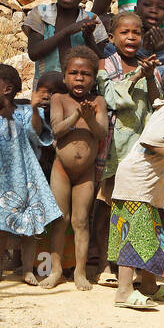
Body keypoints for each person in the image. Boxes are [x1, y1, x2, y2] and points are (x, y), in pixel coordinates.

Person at [108, 63, 164, 309]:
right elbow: (150, 141)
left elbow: (162, 141)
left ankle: (148, 286)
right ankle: (124, 292)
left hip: (147, 188)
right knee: (133, 235)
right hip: (136, 184)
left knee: (151, 236)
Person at [0, 63, 62, 286]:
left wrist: (35, 109)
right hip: (2, 183)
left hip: (29, 180)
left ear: (7, 89)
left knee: (30, 230)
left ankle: (27, 270)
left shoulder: (26, 113)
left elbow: (36, 134)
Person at [95, 12, 159, 284]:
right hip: (112, 147)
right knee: (106, 204)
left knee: (135, 206)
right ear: (112, 37)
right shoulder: (104, 64)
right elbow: (111, 98)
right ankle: (104, 264)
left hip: (140, 147)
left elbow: (157, 102)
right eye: (125, 32)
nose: (131, 37)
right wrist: (135, 77)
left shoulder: (151, 67)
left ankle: (129, 265)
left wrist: (150, 77)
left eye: (137, 32)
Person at [43, 47, 109, 289]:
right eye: (73, 73)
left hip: (85, 172)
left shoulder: (99, 101)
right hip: (61, 169)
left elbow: (101, 132)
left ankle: (80, 271)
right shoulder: (59, 99)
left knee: (81, 221)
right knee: (60, 219)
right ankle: (56, 269)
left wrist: (90, 117)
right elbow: (57, 130)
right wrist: (76, 117)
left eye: (86, 74)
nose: (79, 78)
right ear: (64, 76)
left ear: (94, 78)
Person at [23, 0, 108, 89]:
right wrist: (68, 31)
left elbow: (100, 62)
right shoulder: (40, 14)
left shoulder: (92, 20)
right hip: (46, 93)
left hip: (81, 94)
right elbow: (34, 53)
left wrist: (89, 38)